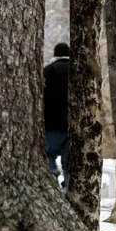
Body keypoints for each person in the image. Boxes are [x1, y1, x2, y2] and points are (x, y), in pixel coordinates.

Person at [43, 43, 71, 181]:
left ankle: (51, 184)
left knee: (48, 156)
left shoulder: (48, 71)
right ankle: (68, 189)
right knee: (69, 164)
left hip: (52, 124)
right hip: (73, 125)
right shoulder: (78, 71)